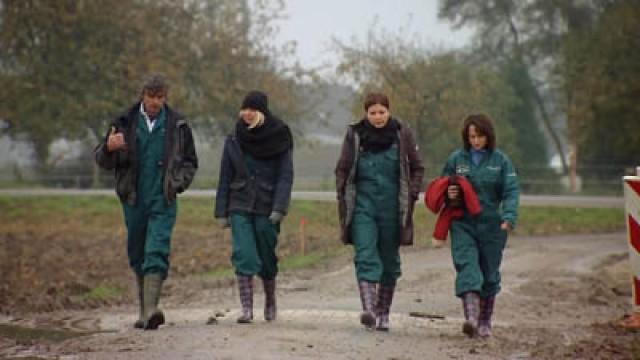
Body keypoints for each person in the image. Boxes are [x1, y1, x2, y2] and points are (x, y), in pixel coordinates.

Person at [95, 74, 198, 330]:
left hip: (163, 199)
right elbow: (102, 160)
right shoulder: (124, 122)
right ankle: (143, 312)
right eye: (151, 96)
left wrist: (178, 183)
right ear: (143, 96)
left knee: (157, 250)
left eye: (160, 97)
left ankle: (152, 309)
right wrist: (109, 148)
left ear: (165, 98)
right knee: (138, 251)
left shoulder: (178, 125)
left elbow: (190, 162)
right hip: (134, 198)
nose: (155, 102)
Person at [335, 92, 424, 331]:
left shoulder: (402, 133)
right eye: (372, 113)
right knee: (365, 254)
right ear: (366, 113)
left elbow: (417, 167)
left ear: (389, 111)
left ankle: (384, 312)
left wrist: (413, 194)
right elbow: (342, 169)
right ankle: (370, 310)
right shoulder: (354, 134)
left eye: (381, 112)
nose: (377, 117)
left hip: (393, 208)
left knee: (389, 261)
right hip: (363, 205)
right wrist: (342, 195)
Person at [214, 90, 293, 324]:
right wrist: (221, 211)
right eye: (244, 109)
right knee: (244, 254)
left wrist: (280, 207)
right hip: (239, 203)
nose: (247, 114)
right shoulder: (234, 138)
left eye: (252, 109)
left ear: (262, 112)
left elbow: (286, 176)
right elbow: (224, 175)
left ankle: (270, 298)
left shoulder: (280, 136)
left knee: (267, 257)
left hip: (267, 206)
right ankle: (247, 309)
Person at [441, 113, 519, 338]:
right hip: (463, 224)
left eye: (480, 136)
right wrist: (450, 192)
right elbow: (442, 185)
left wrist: (509, 216)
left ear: (488, 136)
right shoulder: (457, 159)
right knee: (468, 268)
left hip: (492, 226)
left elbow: (511, 190)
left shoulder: (501, 161)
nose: (475, 141)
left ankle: (485, 320)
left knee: (489, 274)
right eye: (472, 136)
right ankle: (472, 319)